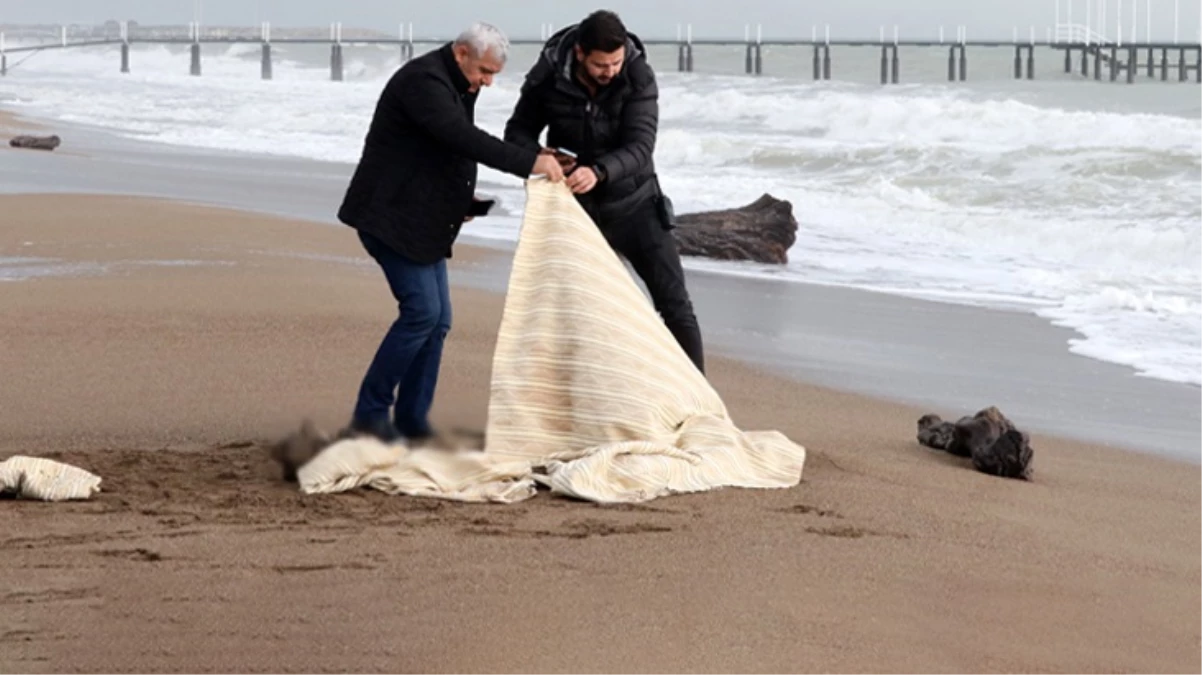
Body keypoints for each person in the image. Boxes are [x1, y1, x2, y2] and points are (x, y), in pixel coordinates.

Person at [336, 22, 565, 443]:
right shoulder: (423, 82)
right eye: (484, 71)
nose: (488, 82)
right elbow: (462, 138)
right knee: (422, 313)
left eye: (494, 74)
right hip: (389, 216)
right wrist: (529, 162)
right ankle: (368, 417)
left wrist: (463, 202)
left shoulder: (460, 83)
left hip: (422, 216)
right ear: (461, 52)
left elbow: (440, 152)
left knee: (438, 321)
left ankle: (411, 420)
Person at [503, 10, 705, 374]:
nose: (610, 71)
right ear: (580, 53)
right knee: (576, 311)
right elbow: (516, 132)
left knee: (675, 305)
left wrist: (599, 172)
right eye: (601, 64)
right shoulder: (547, 74)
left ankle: (701, 403)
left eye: (616, 62)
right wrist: (538, 154)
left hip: (636, 202)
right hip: (574, 210)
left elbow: (642, 147)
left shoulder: (638, 74)